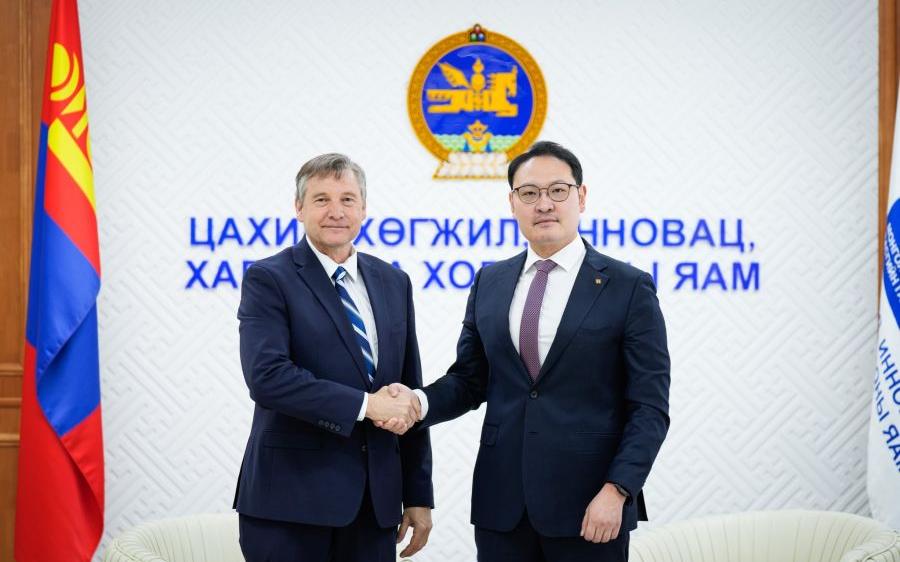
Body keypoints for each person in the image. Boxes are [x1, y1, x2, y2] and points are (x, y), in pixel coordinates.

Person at [381, 141, 670, 561]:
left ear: (581, 197)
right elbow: (469, 380)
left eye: (558, 190)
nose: (544, 204)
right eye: (529, 193)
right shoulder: (490, 282)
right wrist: (417, 402)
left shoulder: (628, 287)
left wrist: (619, 489)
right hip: (502, 507)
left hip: (591, 507)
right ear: (512, 203)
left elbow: (649, 407)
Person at [234, 153, 434, 562]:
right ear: (299, 208)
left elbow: (406, 390)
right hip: (289, 505)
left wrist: (417, 493)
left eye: (347, 199)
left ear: (363, 208)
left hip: (374, 508)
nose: (336, 212)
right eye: (321, 199)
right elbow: (267, 377)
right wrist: (366, 405)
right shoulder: (269, 278)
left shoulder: (394, 281)